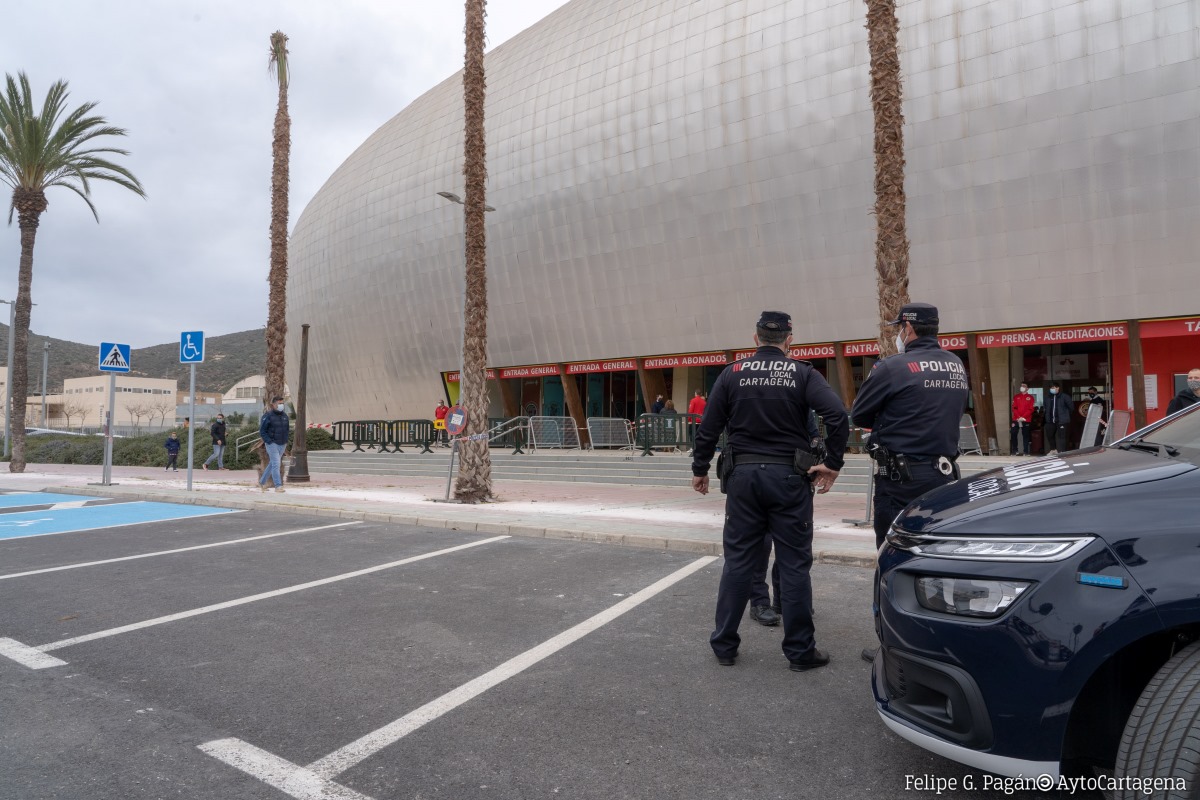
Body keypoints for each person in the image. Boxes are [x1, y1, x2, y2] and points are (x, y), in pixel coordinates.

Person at [692, 311, 849, 672]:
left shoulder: (732, 373)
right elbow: (838, 416)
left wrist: (700, 469)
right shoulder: (803, 373)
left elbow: (709, 426)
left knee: (738, 560)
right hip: (789, 479)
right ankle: (799, 651)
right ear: (789, 340)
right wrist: (833, 464)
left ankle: (724, 645)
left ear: (755, 338)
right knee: (794, 563)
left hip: (743, 478)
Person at [851, 303, 969, 662]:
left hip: (901, 479)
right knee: (939, 561)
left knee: (894, 562)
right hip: (945, 477)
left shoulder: (893, 367)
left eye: (899, 328)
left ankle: (894, 646)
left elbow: (860, 413)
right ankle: (940, 643)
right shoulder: (956, 365)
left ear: (908, 328)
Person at [749, 410, 821, 627]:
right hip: (756, 473)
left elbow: (813, 435)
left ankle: (785, 599)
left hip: (791, 477)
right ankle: (759, 602)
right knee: (760, 544)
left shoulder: (798, 392)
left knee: (792, 544)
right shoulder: (750, 389)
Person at [259, 396, 290, 493]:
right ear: (273, 404)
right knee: (276, 464)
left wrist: (286, 441)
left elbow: (287, 429)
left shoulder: (285, 416)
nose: (281, 405)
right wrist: (269, 441)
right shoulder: (267, 416)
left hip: (282, 443)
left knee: (273, 464)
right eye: (279, 403)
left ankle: (262, 482)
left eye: (282, 403)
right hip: (272, 444)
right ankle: (278, 486)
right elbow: (262, 431)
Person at [1043, 382, 1073, 454]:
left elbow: (1071, 407)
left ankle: (1063, 451)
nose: (1052, 389)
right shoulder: (1047, 397)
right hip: (1050, 420)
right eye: (1051, 388)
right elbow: (1045, 407)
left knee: (1062, 437)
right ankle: (1053, 450)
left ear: (1058, 388)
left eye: (1054, 387)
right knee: (1049, 435)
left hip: (1061, 420)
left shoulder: (1065, 397)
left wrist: (1065, 415)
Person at [1010, 382, 1034, 456]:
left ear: (1027, 388)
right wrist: (1018, 417)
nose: (1022, 387)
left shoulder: (1030, 397)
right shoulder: (1016, 397)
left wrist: (1023, 417)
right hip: (1016, 419)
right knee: (1013, 433)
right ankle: (1015, 450)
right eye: (1021, 386)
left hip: (1026, 419)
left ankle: (1026, 452)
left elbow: (1031, 409)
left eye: (1024, 386)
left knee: (1025, 435)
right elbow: (1014, 408)